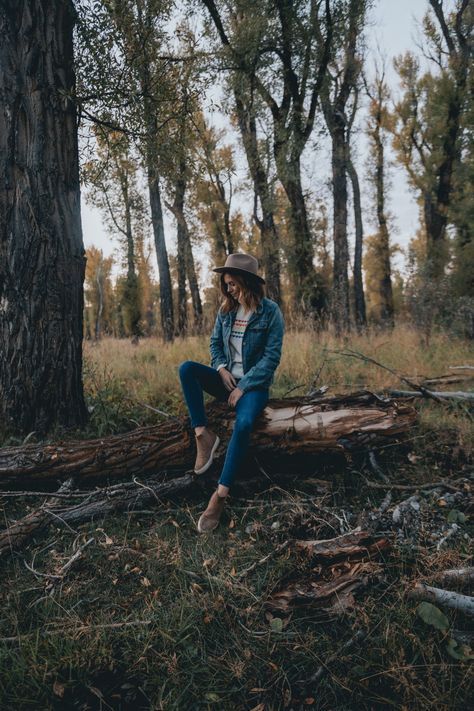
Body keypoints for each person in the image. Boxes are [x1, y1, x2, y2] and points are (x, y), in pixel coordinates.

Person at [178, 253, 285, 533]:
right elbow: (215, 344)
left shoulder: (270, 311)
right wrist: (221, 367)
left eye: (233, 284)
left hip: (252, 386)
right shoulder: (226, 311)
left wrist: (244, 385)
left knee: (246, 423)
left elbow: (271, 358)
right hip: (226, 381)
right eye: (226, 285)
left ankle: (220, 496)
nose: (229, 290)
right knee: (187, 368)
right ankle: (203, 435)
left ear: (247, 283)